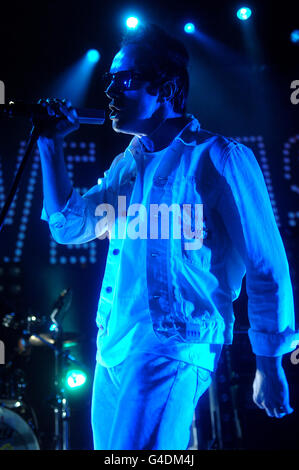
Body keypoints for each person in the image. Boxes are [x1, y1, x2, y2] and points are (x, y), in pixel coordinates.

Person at [37, 23, 298, 450]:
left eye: (125, 79)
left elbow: (266, 266)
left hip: (176, 341)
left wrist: (269, 364)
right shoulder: (129, 163)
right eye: (109, 80)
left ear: (167, 87)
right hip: (113, 348)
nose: (111, 91)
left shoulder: (219, 157)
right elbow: (71, 226)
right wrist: (50, 146)